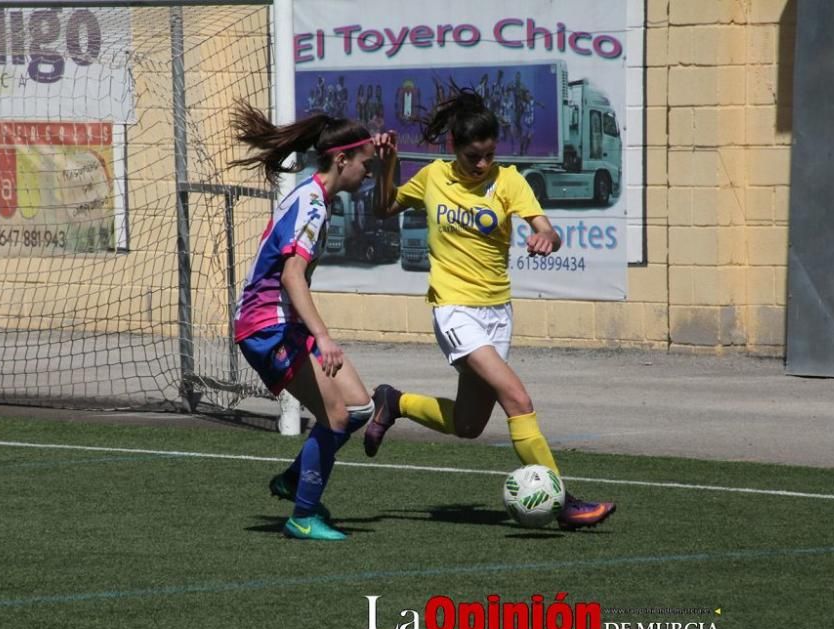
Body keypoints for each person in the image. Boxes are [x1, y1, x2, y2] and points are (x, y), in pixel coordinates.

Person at [368, 88, 616, 530]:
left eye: (487, 154)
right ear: (453, 148)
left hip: (496, 313)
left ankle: (395, 401)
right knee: (517, 399)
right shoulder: (432, 177)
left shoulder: (509, 181)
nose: (481, 164)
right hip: (454, 310)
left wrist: (547, 238)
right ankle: (564, 502)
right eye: (472, 156)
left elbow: (546, 229)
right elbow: (384, 207)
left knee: (468, 425)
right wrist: (386, 167)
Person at [230, 101, 377, 540]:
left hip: (285, 323)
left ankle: (296, 479)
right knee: (334, 415)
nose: (368, 172)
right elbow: (292, 275)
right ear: (341, 159)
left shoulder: (317, 196)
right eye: (365, 164)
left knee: (359, 408)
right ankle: (303, 515)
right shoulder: (312, 204)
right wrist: (324, 338)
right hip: (266, 326)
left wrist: (385, 155)